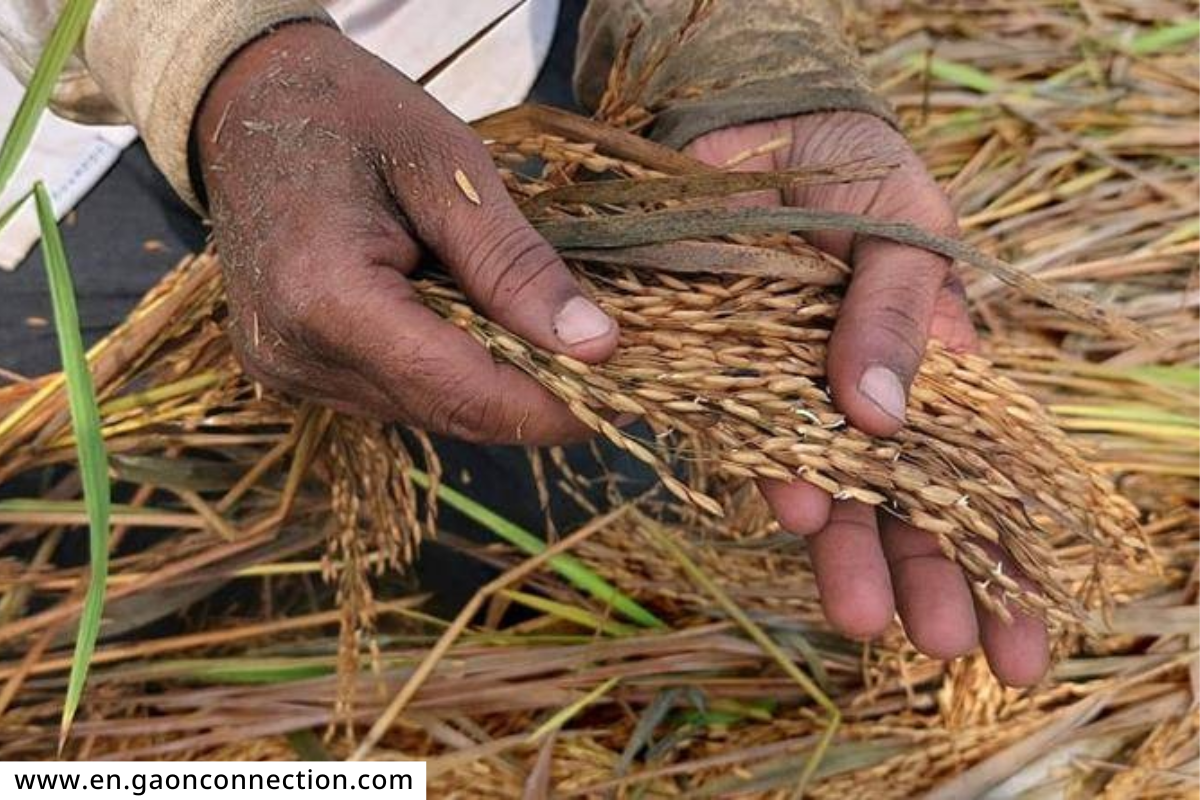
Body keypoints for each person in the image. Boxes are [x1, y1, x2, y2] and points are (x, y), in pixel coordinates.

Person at [0, 0, 1048, 686]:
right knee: (72, 591)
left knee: (593, 521)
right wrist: (217, 56)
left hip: (482, 58)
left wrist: (741, 48)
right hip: (62, 132)